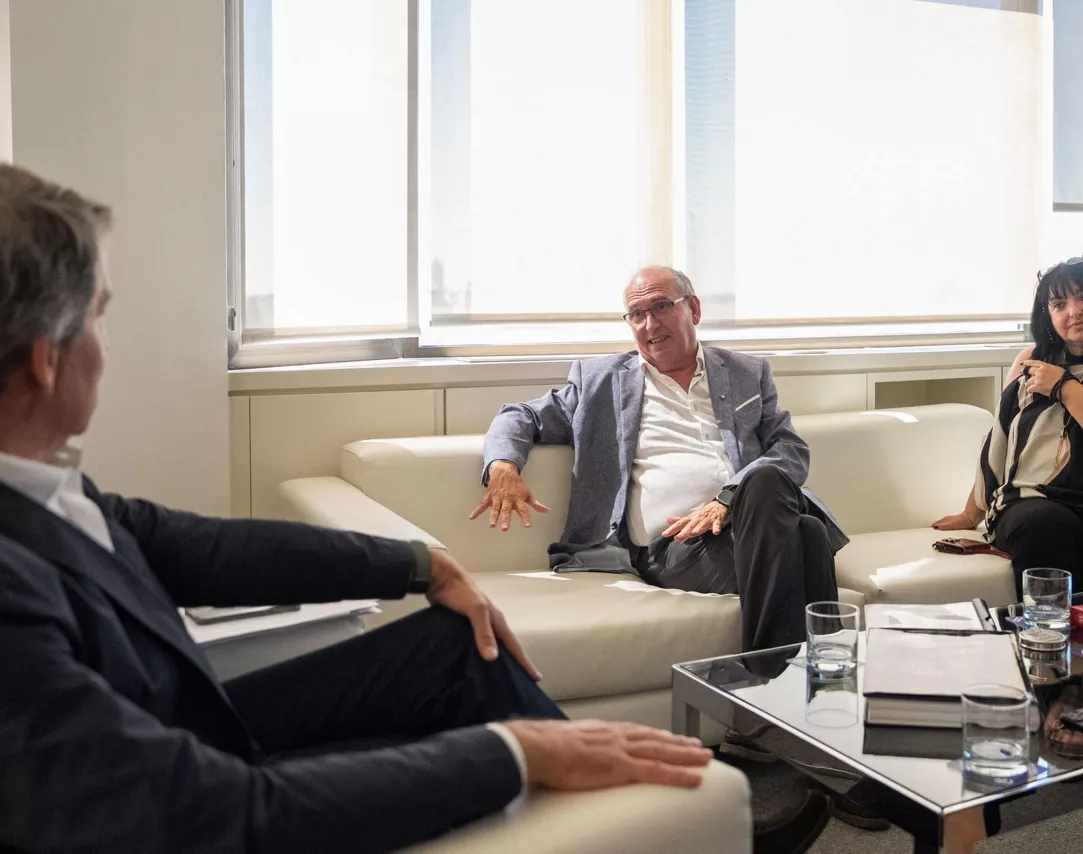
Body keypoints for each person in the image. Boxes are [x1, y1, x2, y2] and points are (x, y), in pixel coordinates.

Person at [0, 164, 717, 853]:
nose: (106, 346)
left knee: (458, 642)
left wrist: (420, 564)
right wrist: (514, 753)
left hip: (192, 724)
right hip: (197, 788)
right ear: (45, 358)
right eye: (98, 318)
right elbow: (203, 814)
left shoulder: (44, 487)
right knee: (516, 745)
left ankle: (638, 811)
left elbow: (194, 547)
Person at [473, 265, 846, 653]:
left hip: (747, 525)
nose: (650, 324)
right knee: (807, 534)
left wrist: (727, 500)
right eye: (637, 314)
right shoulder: (599, 381)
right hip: (673, 548)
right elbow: (519, 415)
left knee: (798, 519)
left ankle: (777, 685)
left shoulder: (746, 373)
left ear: (694, 309)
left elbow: (791, 449)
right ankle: (815, 679)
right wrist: (503, 465)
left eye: (661, 306)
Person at [934, 256, 1083, 595]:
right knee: (1040, 526)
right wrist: (971, 511)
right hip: (1035, 499)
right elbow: (1000, 442)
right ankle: (1049, 641)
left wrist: (1063, 386)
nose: (1074, 311)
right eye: (1059, 304)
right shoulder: (1029, 364)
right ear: (1048, 317)